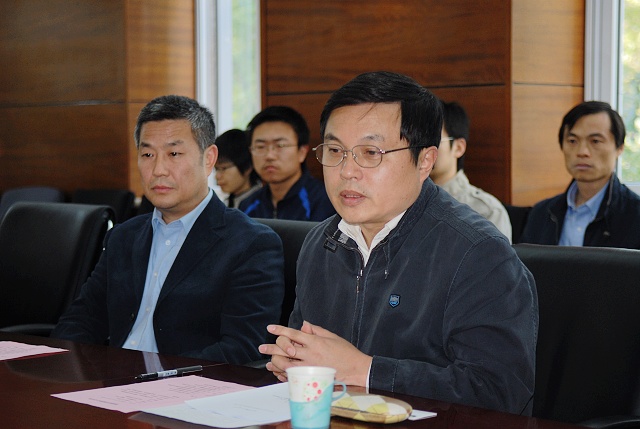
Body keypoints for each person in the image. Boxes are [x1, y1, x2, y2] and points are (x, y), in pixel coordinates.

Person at [259, 72, 538, 415]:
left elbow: (500, 392)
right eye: (335, 151)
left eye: (370, 152)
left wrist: (365, 371)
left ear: (425, 161)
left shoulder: (478, 253)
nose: (347, 171)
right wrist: (294, 362)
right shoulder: (322, 242)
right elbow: (312, 358)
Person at [52, 95, 285, 365]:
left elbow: (243, 348)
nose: (158, 170)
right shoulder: (123, 237)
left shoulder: (251, 244)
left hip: (185, 385)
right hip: (112, 379)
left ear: (209, 159)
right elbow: (82, 320)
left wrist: (157, 378)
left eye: (174, 154)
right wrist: (60, 366)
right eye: (148, 155)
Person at [520, 101, 640, 248]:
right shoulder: (541, 213)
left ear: (619, 148)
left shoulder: (635, 215)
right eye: (572, 141)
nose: (582, 152)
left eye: (595, 141)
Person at [430, 100, 512, 242]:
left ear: (458, 147)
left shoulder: (486, 212)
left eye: (433, 140)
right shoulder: (402, 204)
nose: (423, 149)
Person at [239, 106, 335, 221]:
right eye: (260, 147)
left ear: (302, 152)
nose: (269, 156)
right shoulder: (247, 206)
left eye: (280, 145)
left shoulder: (325, 201)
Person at [214, 128, 261, 208]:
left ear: (247, 167)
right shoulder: (227, 203)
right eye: (216, 169)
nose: (217, 176)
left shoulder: (260, 205)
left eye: (223, 168)